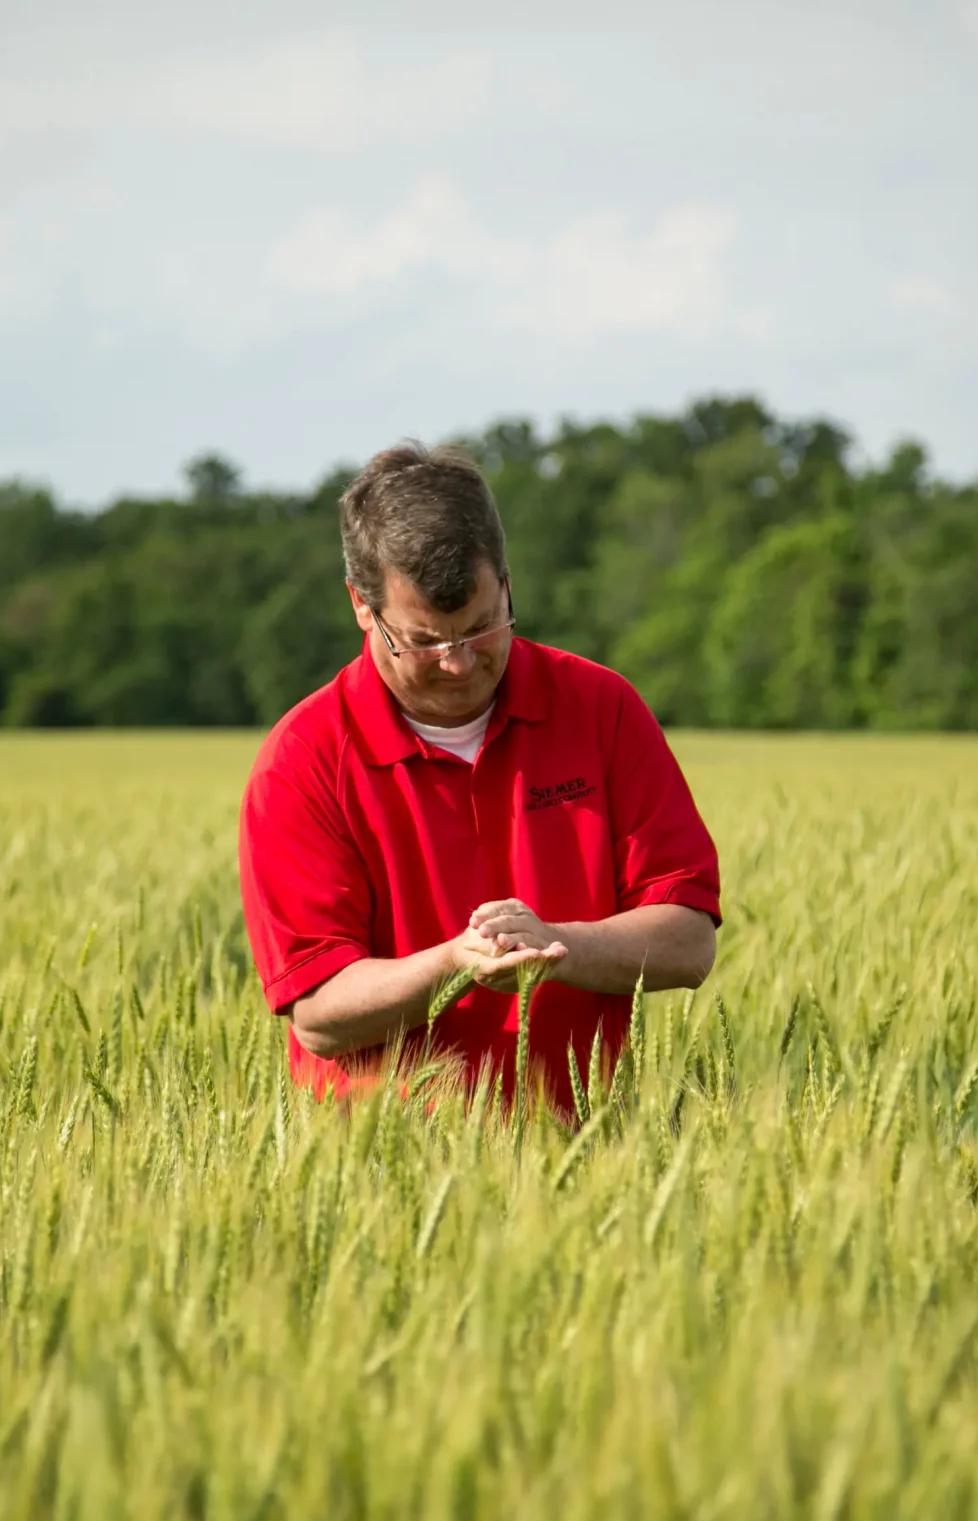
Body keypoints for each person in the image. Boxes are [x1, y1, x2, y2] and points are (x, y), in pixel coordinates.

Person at [237, 442, 721, 1117]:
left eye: (482, 627)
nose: (459, 663)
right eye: (425, 640)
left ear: (507, 583)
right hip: (381, 1172)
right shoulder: (302, 761)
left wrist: (554, 945)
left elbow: (689, 939)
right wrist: (456, 963)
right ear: (360, 604)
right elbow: (318, 1011)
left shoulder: (601, 709)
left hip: (588, 1157)